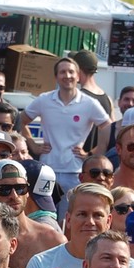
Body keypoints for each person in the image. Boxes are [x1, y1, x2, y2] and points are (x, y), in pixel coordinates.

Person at [20, 57, 110, 190]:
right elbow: (20, 121)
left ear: (78, 76)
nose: (67, 76)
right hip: (47, 170)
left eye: (71, 72)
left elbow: (108, 127)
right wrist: (33, 145)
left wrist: (92, 154)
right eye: (62, 72)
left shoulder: (89, 103)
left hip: (75, 172)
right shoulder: (44, 100)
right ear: (56, 77)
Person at [0, 159, 65, 268]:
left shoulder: (52, 240)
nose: (14, 196)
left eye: (20, 188)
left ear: (27, 191)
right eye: (4, 189)